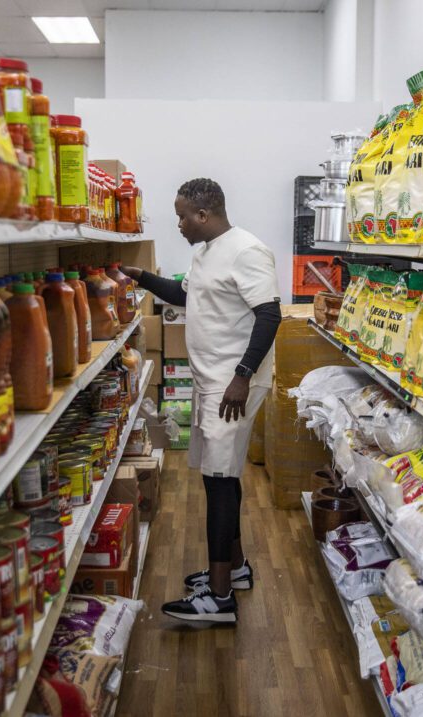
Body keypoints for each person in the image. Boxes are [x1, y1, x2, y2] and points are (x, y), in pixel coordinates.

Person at [122, 178, 281, 624]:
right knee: (223, 474)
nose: (178, 224)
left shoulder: (247, 250)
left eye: (182, 216)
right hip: (213, 379)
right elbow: (186, 295)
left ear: (204, 216)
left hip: (233, 384)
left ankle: (219, 597)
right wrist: (143, 278)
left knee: (218, 480)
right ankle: (236, 569)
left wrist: (242, 376)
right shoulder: (206, 250)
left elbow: (270, 315)